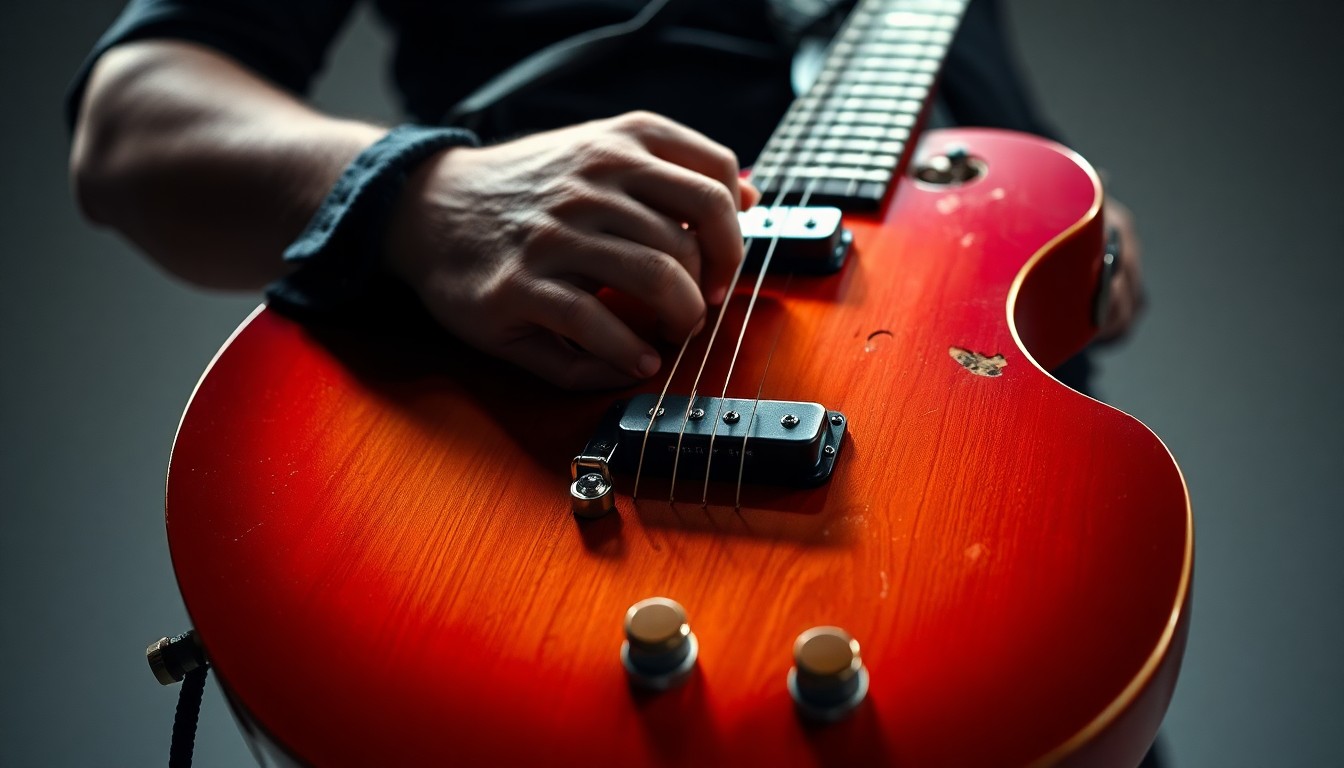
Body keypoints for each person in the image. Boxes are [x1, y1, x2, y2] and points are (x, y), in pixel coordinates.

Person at [68, 0, 1143, 393]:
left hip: (982, 558)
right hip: (571, 450)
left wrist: (1057, 236)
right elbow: (136, 121)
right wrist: (430, 194)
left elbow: (1004, 152)